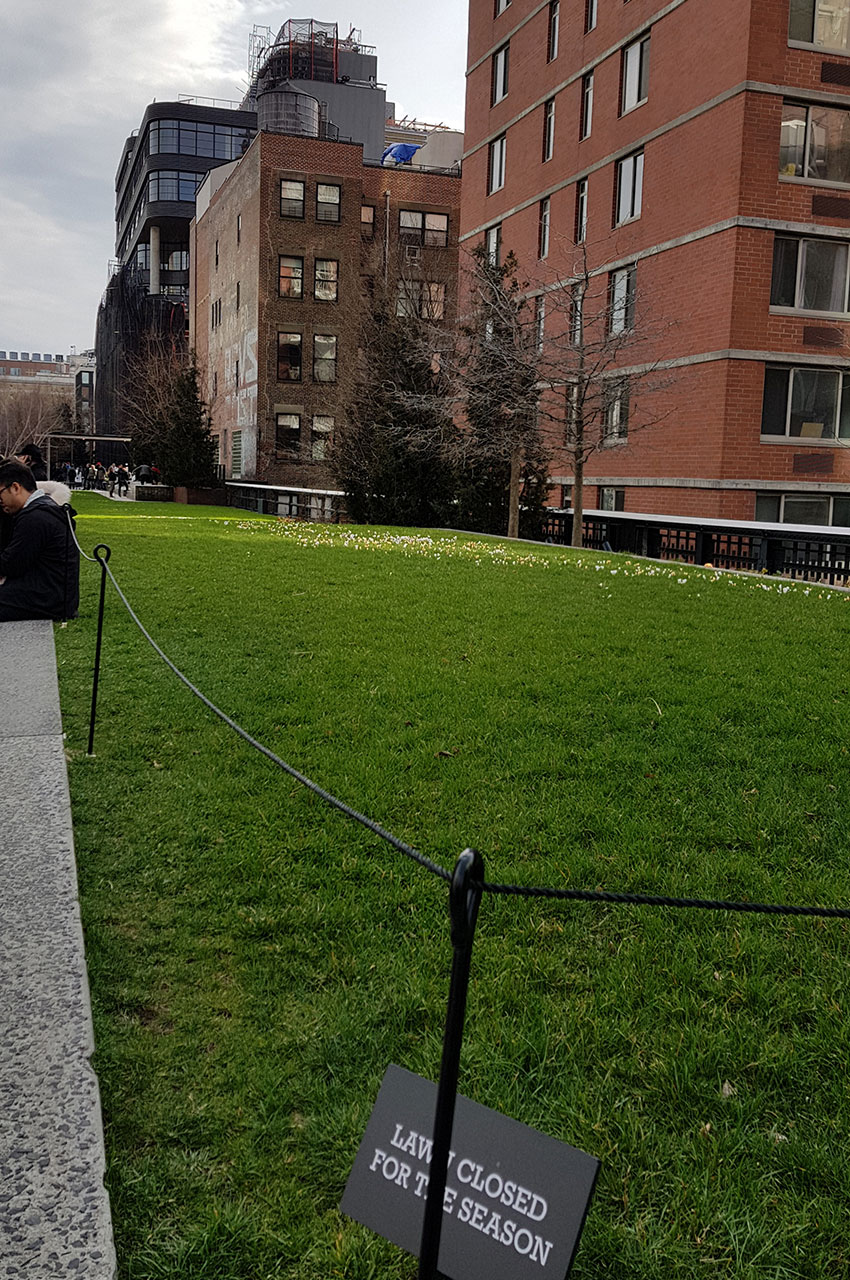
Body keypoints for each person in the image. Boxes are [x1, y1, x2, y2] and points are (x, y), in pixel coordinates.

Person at [0, 460, 80, 622]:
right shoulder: (45, 508)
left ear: (15, 488)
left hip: (46, 601)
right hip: (56, 596)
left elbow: (11, 564)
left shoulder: (35, 517)